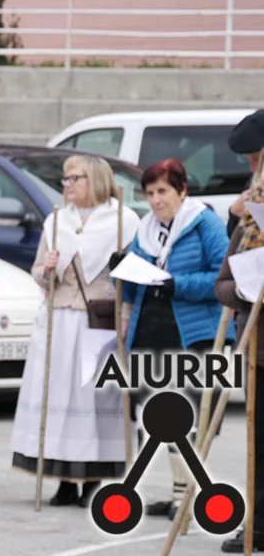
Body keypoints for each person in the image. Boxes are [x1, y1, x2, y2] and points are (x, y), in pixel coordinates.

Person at [10, 155, 140, 507]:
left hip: (98, 320)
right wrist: (48, 269)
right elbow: (40, 274)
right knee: (57, 400)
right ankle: (63, 479)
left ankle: (93, 479)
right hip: (59, 319)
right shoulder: (57, 220)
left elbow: (134, 278)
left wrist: (127, 314)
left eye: (75, 178)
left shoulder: (124, 220)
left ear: (95, 179)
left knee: (93, 400)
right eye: (65, 179)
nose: (67, 185)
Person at [113, 158, 233, 522]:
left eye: (162, 191)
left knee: (188, 415)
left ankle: (187, 495)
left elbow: (222, 277)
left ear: (182, 190)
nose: (155, 200)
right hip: (152, 327)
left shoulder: (205, 223)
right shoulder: (147, 229)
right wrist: (120, 268)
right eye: (149, 193)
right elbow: (133, 280)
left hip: (193, 332)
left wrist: (177, 283)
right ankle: (178, 491)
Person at [215, 155, 264, 553]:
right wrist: (247, 290)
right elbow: (222, 284)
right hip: (257, 350)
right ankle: (259, 524)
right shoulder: (249, 224)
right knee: (259, 443)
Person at [226, 108, 264, 238]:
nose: (253, 169)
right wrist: (235, 215)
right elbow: (239, 246)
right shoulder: (255, 188)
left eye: (257, 160)